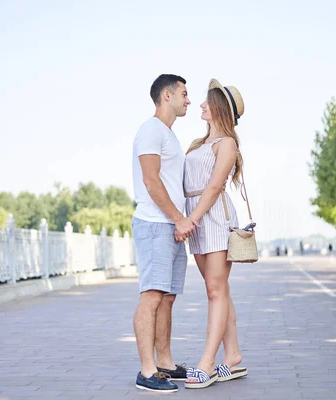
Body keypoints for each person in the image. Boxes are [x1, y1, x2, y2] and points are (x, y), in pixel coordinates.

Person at [180, 79, 248, 389]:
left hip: (214, 218)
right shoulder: (198, 143)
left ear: (220, 108)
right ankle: (232, 354)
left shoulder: (227, 144)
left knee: (215, 290)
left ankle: (207, 362)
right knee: (217, 288)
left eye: (208, 102)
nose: (201, 105)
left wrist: (191, 218)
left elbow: (214, 186)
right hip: (197, 217)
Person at [131, 74, 194, 393]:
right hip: (155, 224)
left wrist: (179, 221)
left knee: (167, 298)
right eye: (184, 93)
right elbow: (151, 181)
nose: (189, 99)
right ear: (166, 95)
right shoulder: (150, 130)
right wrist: (178, 218)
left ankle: (165, 363)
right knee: (152, 295)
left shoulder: (169, 136)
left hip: (170, 226)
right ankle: (146, 371)